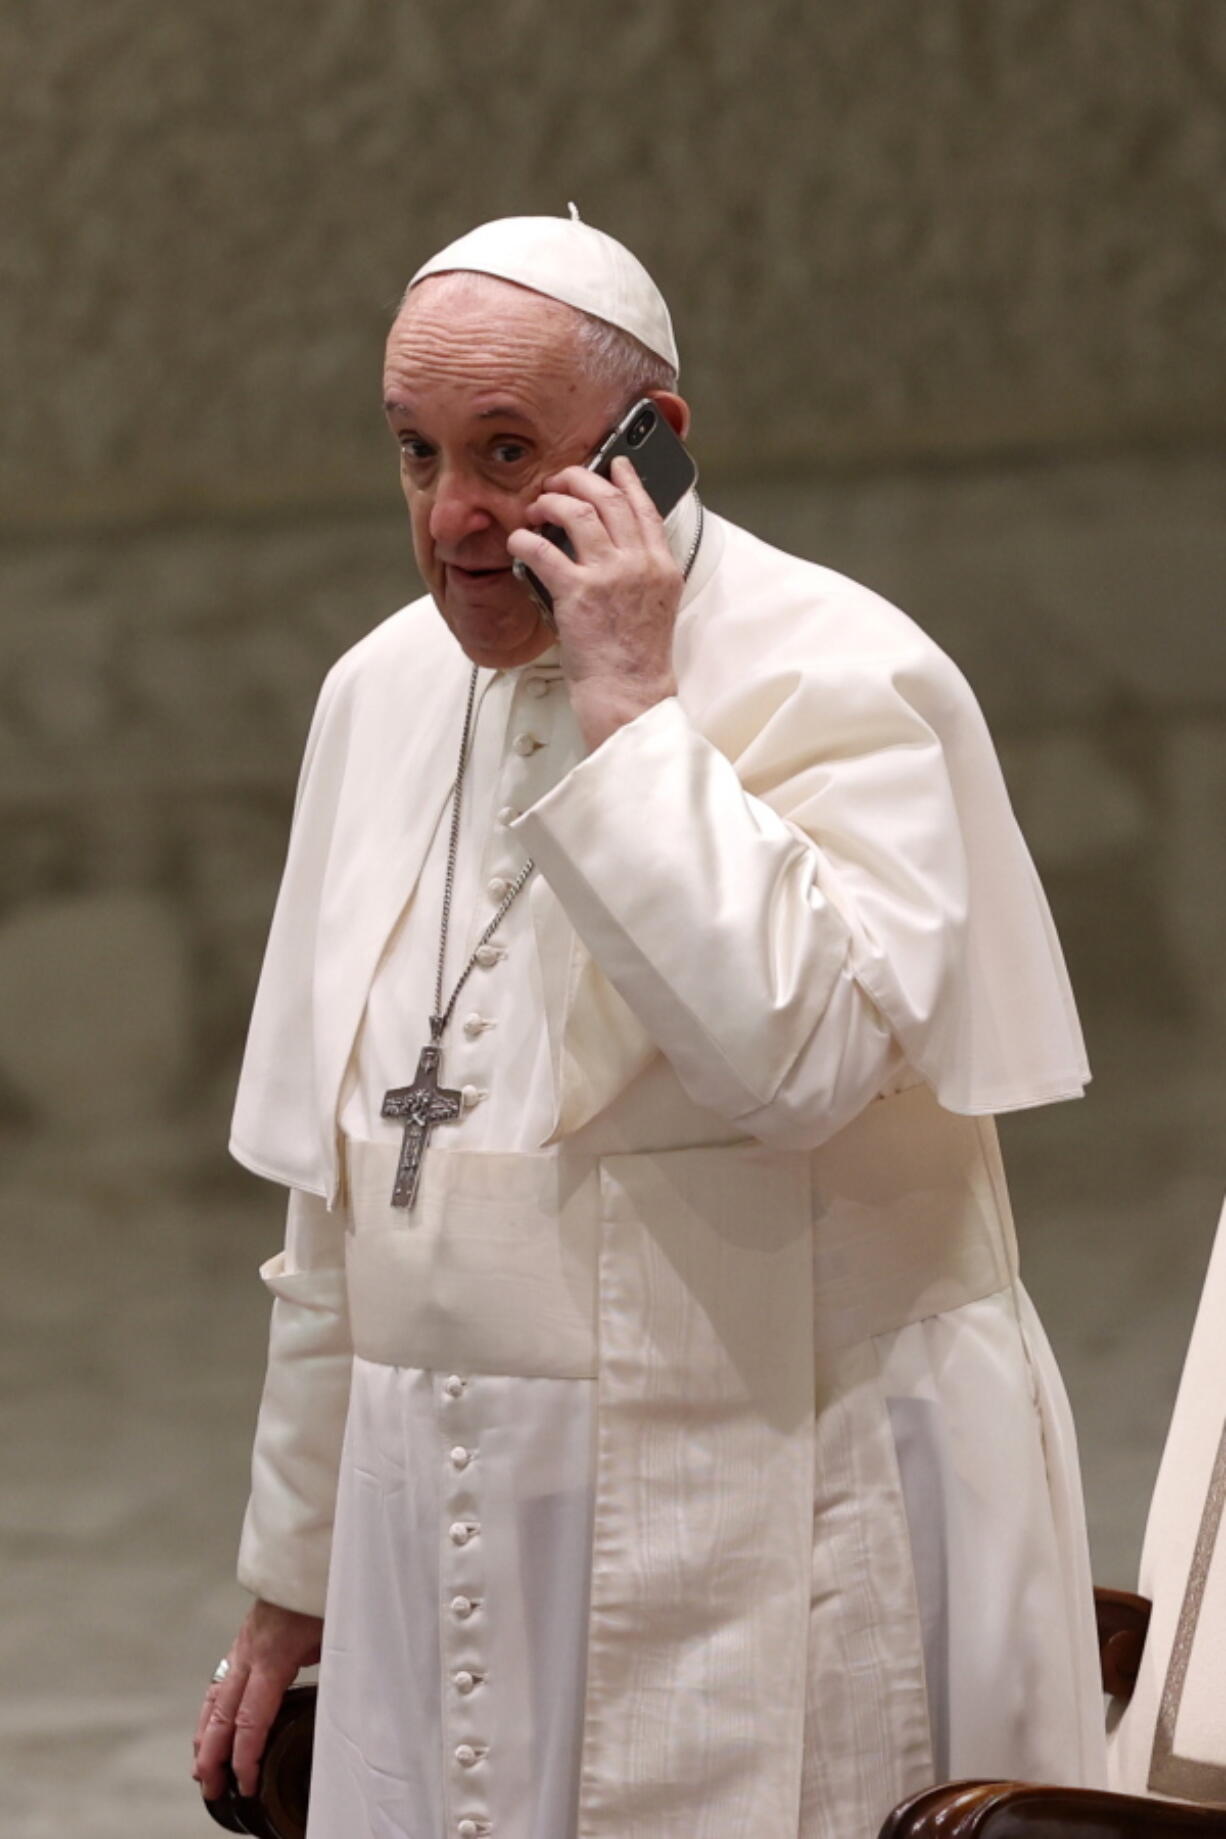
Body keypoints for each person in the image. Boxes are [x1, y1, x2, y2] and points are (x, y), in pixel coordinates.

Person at [194, 213, 1108, 1839]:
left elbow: (798, 1067)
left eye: (506, 452)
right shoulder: (378, 694)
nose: (454, 517)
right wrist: (290, 1569)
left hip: (788, 1495)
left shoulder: (843, 672)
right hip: (451, 1533)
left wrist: (633, 717)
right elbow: (336, 1206)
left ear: (650, 447)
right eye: (415, 455)